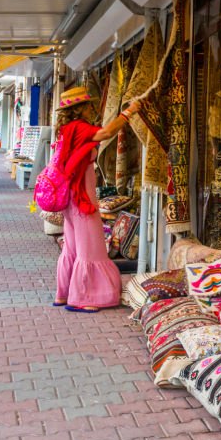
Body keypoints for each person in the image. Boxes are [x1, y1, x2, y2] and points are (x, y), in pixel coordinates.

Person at [52, 86, 139, 312]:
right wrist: (128, 112)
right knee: (91, 247)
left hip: (71, 196)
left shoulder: (66, 129)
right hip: (81, 195)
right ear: (81, 108)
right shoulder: (79, 128)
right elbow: (106, 133)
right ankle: (85, 298)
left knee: (72, 246)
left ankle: (64, 294)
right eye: (89, 106)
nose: (92, 109)